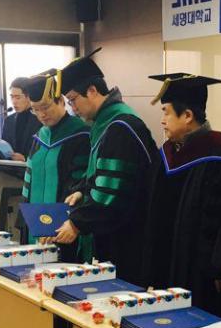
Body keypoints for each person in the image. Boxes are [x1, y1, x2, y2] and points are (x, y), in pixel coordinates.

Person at [141, 74, 221, 317]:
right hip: (165, 268)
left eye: (166, 112)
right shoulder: (165, 155)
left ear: (187, 116)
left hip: (202, 275)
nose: (162, 120)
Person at [51, 49, 157, 283]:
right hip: (113, 232)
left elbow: (112, 192)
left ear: (92, 90)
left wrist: (77, 223)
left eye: (73, 100)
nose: (72, 108)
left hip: (126, 238)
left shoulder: (121, 127)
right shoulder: (105, 123)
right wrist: (82, 190)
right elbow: (100, 174)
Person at [20, 72, 90, 261]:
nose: (41, 114)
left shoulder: (82, 136)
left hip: (64, 230)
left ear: (61, 101)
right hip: (35, 229)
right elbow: (28, 186)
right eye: (35, 109)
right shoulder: (38, 137)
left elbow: (82, 186)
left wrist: (58, 223)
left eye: (45, 107)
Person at [1, 77, 42, 161]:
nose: (14, 102)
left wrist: (25, 159)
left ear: (29, 97)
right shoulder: (8, 120)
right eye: (12, 97)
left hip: (31, 167)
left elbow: (43, 152)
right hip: (9, 166)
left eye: (18, 97)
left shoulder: (41, 119)